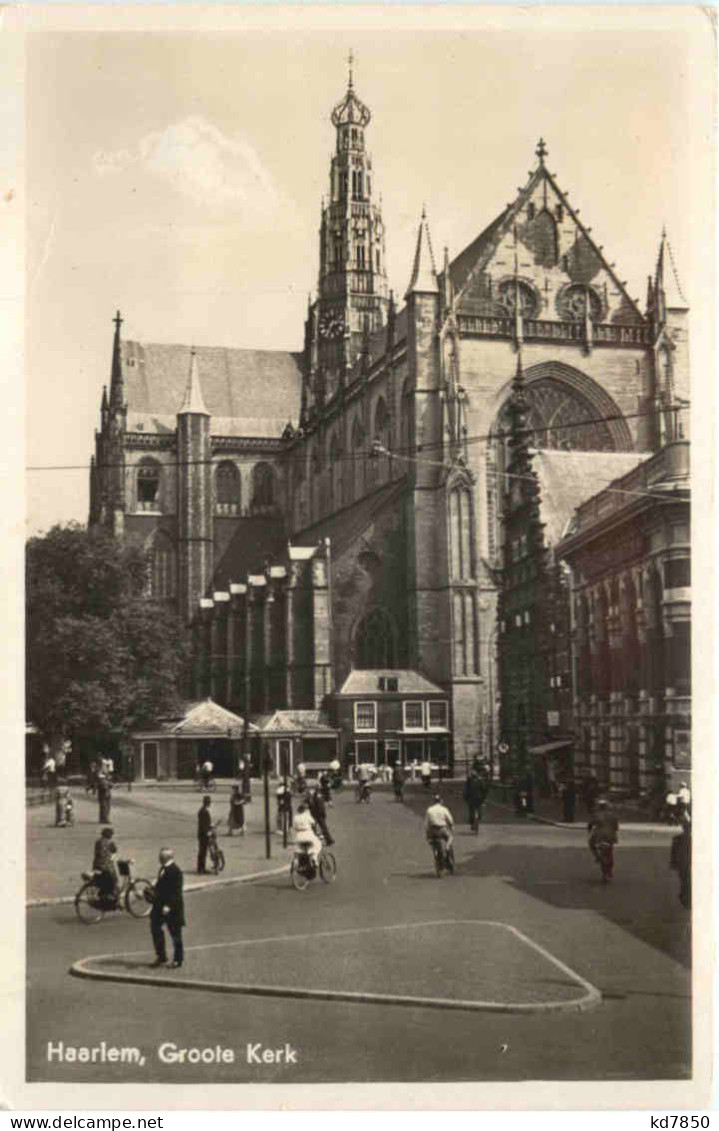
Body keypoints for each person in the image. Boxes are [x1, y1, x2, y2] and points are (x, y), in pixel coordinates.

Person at [150, 847, 185, 968]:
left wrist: (168, 906)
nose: (159, 858)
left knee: (175, 934)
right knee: (155, 928)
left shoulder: (175, 871)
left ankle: (178, 959)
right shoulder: (163, 868)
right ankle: (161, 955)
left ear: (167, 857)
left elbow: (176, 891)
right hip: (159, 905)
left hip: (172, 907)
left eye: (161, 857)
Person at [588, 798, 619, 878]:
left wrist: (589, 829)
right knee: (610, 851)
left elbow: (591, 824)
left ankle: (597, 856)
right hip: (610, 835)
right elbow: (616, 827)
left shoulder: (596, 814)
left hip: (599, 835)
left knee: (591, 844)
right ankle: (609, 870)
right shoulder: (612, 815)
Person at [292, 801, 322, 870]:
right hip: (308, 834)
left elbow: (294, 828)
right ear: (305, 810)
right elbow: (314, 824)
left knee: (299, 848)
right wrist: (319, 834)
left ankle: (296, 860)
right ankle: (314, 858)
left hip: (299, 836)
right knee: (317, 844)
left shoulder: (295, 817)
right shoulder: (307, 816)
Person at [92, 826, 119, 904]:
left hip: (96, 865)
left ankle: (105, 894)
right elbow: (115, 851)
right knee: (114, 879)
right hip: (105, 866)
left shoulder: (98, 841)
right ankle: (111, 897)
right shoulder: (110, 842)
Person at [670, 816, 691, 909]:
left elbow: (673, 852)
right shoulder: (693, 838)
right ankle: (686, 897)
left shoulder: (677, 838)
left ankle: (685, 896)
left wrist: (673, 863)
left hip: (682, 863)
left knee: (684, 880)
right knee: (686, 880)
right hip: (687, 863)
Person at [197, 795, 213, 873]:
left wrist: (211, 825)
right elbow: (203, 824)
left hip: (201, 833)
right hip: (203, 834)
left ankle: (200, 867)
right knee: (203, 851)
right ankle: (201, 868)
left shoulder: (202, 810)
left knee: (202, 851)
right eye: (209, 802)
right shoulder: (204, 812)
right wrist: (208, 832)